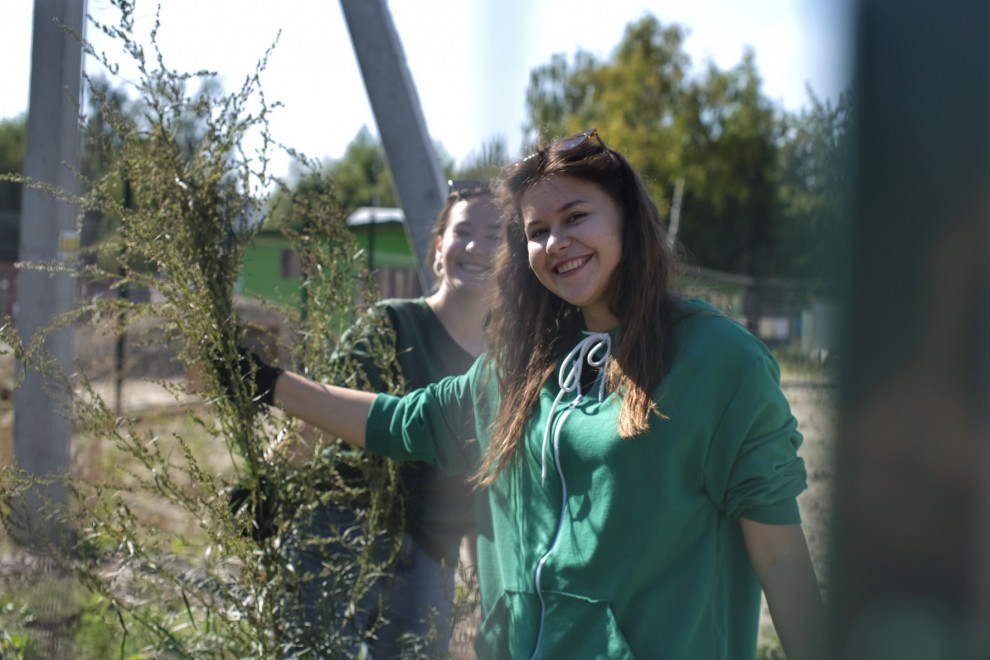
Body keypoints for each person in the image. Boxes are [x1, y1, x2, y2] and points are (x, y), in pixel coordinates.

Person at [240, 130, 825, 659]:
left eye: (575, 216)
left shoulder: (720, 362)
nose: (556, 242)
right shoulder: (521, 368)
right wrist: (268, 385)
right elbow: (405, 422)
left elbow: (778, 553)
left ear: (626, 217)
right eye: (537, 231)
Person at [280, 181, 499, 658]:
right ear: (439, 250)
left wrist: (485, 586)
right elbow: (318, 417)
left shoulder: (507, 368)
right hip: (344, 533)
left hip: (429, 561)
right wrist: (271, 488)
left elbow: (484, 488)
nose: (478, 247)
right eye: (463, 232)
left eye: (497, 236)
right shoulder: (391, 324)